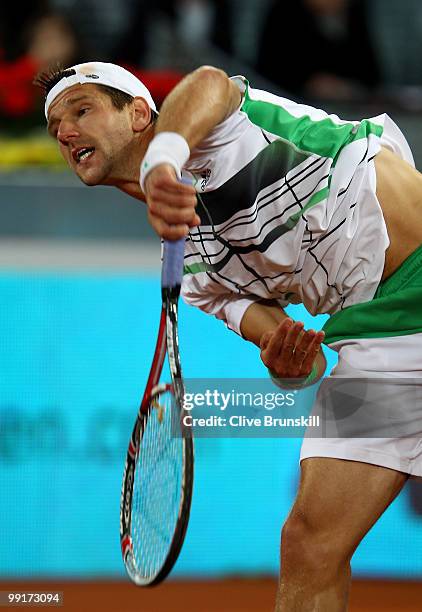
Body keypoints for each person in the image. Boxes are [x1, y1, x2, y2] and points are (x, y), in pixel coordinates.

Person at [36, 61, 422, 611]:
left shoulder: (217, 127)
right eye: (55, 128)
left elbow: (210, 82)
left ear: (141, 112)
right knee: (309, 547)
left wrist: (161, 164)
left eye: (82, 110)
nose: (65, 132)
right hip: (377, 337)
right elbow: (295, 360)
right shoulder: (193, 273)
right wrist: (287, 363)